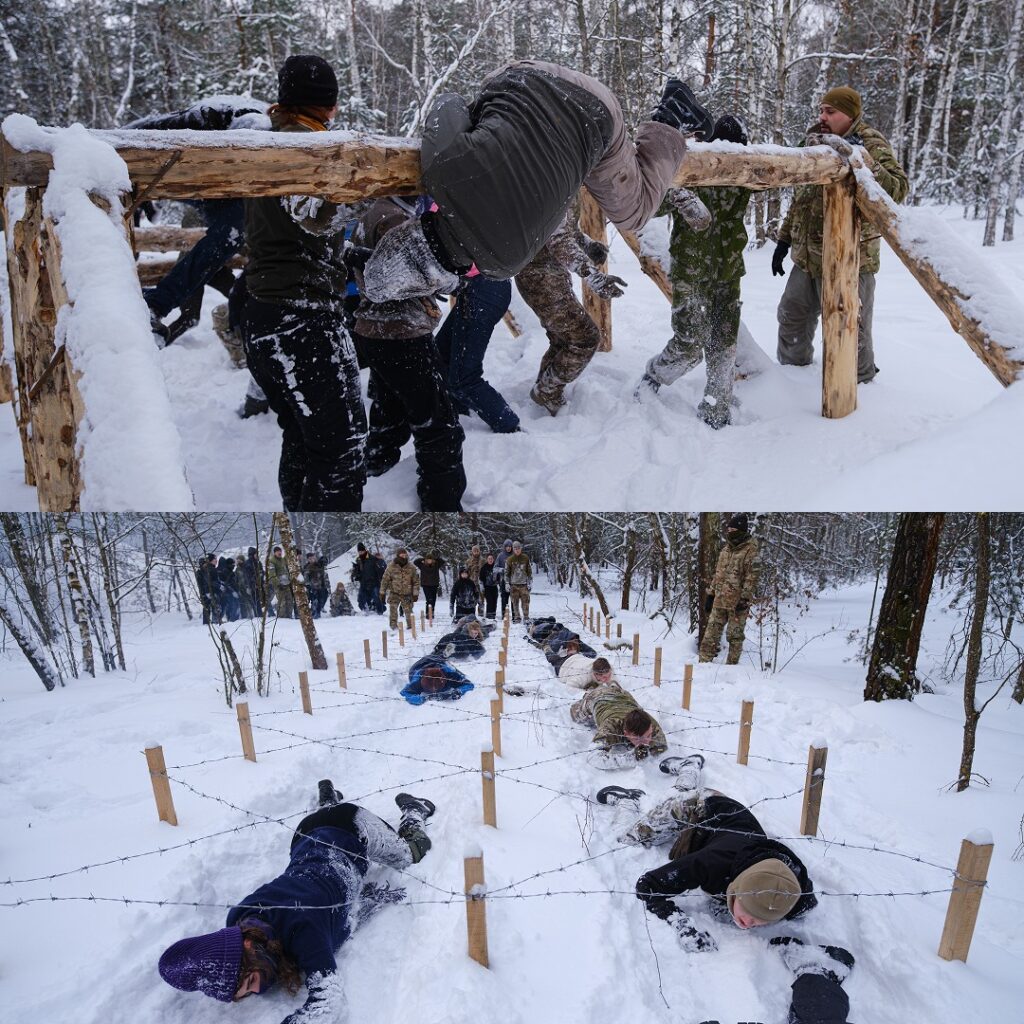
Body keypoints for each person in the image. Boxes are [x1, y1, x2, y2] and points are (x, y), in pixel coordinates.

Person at [361, 64, 712, 300]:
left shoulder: (502, 266)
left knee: (634, 215)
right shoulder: (440, 171)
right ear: (407, 231)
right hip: (521, 77)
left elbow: (548, 208)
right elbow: (449, 103)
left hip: (595, 114)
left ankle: (672, 118)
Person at [158, 781, 435, 1018]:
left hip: (351, 827)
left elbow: (329, 1002)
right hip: (305, 835)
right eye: (245, 993)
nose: (256, 990)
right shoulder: (240, 919)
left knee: (411, 853)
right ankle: (327, 802)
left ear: (247, 945)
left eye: (251, 980)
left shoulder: (303, 931)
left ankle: (414, 810)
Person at [243, 55, 367, 511]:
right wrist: (358, 190)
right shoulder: (302, 148)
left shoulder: (271, 142)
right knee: (343, 448)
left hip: (268, 312)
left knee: (303, 436)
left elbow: (285, 233)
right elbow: (311, 218)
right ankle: (322, 536)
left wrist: (348, 254)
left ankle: (301, 527)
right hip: (303, 317)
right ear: (329, 104)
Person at [774, 86, 909, 384]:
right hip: (807, 258)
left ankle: (860, 386)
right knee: (791, 317)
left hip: (852, 259)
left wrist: (862, 159)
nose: (822, 116)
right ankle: (789, 382)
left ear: (850, 115)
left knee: (852, 330)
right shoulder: (813, 142)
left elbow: (897, 189)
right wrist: (784, 239)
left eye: (830, 111)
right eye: (821, 110)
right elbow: (801, 198)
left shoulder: (870, 142)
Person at [634, 115, 752, 429]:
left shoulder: (745, 173)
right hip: (692, 270)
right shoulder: (691, 168)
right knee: (690, 341)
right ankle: (654, 376)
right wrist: (676, 190)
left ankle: (717, 409)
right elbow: (653, 205)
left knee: (724, 342)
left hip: (728, 272)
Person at [351, 197, 467, 511]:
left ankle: (375, 470)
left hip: (377, 332)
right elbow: (404, 278)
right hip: (402, 332)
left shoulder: (378, 210)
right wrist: (455, 277)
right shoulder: (393, 220)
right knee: (439, 426)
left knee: (390, 409)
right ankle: (442, 504)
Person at [124, 97, 269, 344]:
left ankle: (157, 305)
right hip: (162, 160)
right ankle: (139, 300)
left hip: (218, 183)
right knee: (233, 232)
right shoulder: (246, 120)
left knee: (230, 235)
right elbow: (157, 126)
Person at [632, 788, 816, 952]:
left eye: (762, 920)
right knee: (638, 836)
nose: (749, 923)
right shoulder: (711, 863)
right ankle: (628, 801)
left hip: (735, 825)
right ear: (736, 888)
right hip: (704, 807)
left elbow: (806, 904)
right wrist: (680, 923)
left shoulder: (795, 896)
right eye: (748, 910)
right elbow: (647, 885)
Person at [516, 213, 628, 415]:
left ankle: (545, 388)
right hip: (539, 277)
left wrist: (587, 244)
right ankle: (547, 391)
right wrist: (593, 277)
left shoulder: (569, 183)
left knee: (563, 338)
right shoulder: (551, 183)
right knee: (585, 338)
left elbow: (566, 230)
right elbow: (558, 239)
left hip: (550, 273)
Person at [434, 275, 521, 433]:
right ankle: (458, 410)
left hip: (482, 292)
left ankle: (508, 425)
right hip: (483, 288)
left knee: (463, 378)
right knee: (440, 355)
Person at [700, 513, 759, 664]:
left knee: (735, 636)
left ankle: (731, 669)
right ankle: (703, 664)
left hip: (737, 603)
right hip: (719, 599)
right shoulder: (726, 550)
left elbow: (751, 576)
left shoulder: (750, 550)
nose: (729, 531)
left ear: (740, 529)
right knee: (710, 635)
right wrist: (711, 594)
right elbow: (718, 574)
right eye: (729, 529)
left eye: (732, 528)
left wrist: (745, 599)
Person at [570, 681, 668, 767]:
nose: (647, 741)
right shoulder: (611, 726)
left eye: (649, 735)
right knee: (575, 714)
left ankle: (613, 686)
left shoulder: (650, 723)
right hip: (597, 698)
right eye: (639, 738)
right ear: (625, 733)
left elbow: (661, 746)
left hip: (623, 695)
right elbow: (593, 758)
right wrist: (631, 758)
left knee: (617, 691)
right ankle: (591, 691)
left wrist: (648, 752)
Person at [401, 656, 475, 705]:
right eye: (430, 687)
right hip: (418, 666)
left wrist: (457, 692)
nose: (434, 690)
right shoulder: (417, 679)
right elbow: (405, 693)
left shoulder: (449, 674)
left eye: (438, 686)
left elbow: (469, 684)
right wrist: (425, 698)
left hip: (439, 660)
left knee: (457, 672)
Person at [379, 548, 419, 631]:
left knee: (408, 612)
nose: (404, 556)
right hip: (394, 592)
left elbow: (416, 582)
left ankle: (410, 628)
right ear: (398, 555)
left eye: (405, 555)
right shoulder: (391, 567)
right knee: (393, 611)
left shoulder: (411, 567)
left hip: (407, 593)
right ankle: (393, 627)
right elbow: (385, 580)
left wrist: (415, 593)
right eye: (402, 555)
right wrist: (382, 592)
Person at [504, 541, 533, 623]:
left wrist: (530, 582)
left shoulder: (525, 558)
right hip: (514, 585)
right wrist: (506, 583)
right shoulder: (509, 559)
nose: (517, 550)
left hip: (524, 585)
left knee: (526, 602)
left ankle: (526, 617)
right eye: (515, 548)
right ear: (513, 549)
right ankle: (517, 618)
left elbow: (529, 571)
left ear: (521, 548)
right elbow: (506, 573)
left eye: (518, 548)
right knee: (515, 603)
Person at [413, 551, 445, 619]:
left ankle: (432, 612)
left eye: (430, 559)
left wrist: (435, 558)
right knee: (429, 599)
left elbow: (442, 561)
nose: (429, 561)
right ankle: (428, 613)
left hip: (434, 584)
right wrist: (423, 559)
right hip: (426, 585)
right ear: (426, 560)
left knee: (433, 599)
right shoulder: (422, 565)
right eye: (428, 559)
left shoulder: (436, 565)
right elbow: (415, 562)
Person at [269, 545, 295, 619]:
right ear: (274, 553)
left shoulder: (283, 560)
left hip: (287, 583)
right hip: (279, 585)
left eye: (280, 551)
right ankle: (282, 618)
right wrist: (278, 584)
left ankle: (289, 616)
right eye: (278, 552)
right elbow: (272, 574)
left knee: (289, 601)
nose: (279, 552)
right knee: (282, 602)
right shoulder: (272, 561)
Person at [195, 553, 221, 625]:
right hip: (206, 593)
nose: (204, 565)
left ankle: (212, 623)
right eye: (203, 564)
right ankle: (208, 623)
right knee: (208, 609)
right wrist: (204, 593)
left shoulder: (207, 570)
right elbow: (203, 584)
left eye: (205, 563)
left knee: (212, 608)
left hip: (209, 592)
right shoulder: (201, 572)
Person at [494, 539, 514, 619]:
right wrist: (502, 570)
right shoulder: (501, 555)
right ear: (504, 547)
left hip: (513, 581)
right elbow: (495, 568)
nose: (508, 548)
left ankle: (515, 617)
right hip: (503, 581)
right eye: (507, 546)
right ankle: (504, 616)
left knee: (513, 600)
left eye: (510, 546)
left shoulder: (515, 555)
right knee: (504, 600)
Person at [217, 556, 241, 621]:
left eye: (234, 565)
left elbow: (234, 582)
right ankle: (231, 619)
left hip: (232, 592)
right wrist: (233, 591)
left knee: (233, 606)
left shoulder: (231, 572)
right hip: (228, 593)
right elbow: (227, 583)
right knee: (232, 606)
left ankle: (232, 619)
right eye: (232, 565)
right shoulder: (225, 572)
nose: (233, 566)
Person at [303, 553, 326, 618]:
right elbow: (306, 577)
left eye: (313, 558)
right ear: (308, 559)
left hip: (320, 586)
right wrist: (308, 585)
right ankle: (314, 613)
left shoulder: (319, 564)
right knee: (314, 600)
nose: (312, 560)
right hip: (312, 587)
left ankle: (318, 613)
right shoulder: (307, 567)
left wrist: (323, 584)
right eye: (310, 559)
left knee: (320, 600)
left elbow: (322, 574)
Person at [244, 547, 265, 617]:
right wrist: (252, 584)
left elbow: (262, 571)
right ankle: (258, 616)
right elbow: (248, 577)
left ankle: (261, 614)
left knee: (261, 600)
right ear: (252, 554)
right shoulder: (248, 564)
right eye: (256, 554)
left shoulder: (258, 562)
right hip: (253, 586)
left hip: (260, 584)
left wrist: (262, 574)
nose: (257, 555)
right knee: (256, 602)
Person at [479, 553, 499, 619]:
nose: (490, 560)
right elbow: (481, 578)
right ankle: (488, 616)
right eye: (489, 559)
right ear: (487, 559)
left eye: (491, 559)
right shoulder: (484, 568)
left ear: (493, 559)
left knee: (494, 602)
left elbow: (500, 577)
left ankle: (493, 615)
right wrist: (481, 586)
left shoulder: (496, 567)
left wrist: (499, 583)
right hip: (487, 587)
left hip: (494, 587)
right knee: (489, 602)